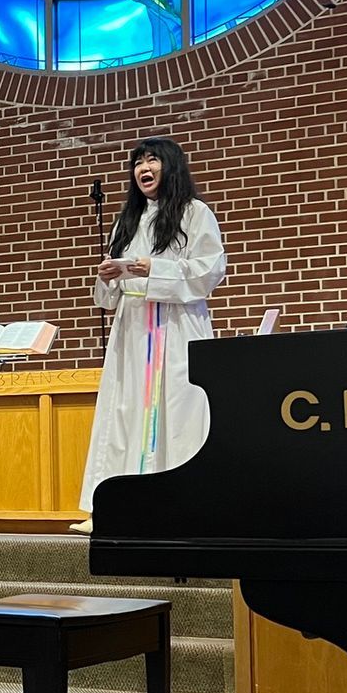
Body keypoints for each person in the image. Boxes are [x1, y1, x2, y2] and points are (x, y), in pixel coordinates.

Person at [72, 137, 227, 535]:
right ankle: (114, 507)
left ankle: (185, 508)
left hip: (175, 326)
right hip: (133, 328)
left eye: (152, 159)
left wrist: (153, 269)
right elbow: (106, 298)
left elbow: (210, 271)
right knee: (124, 412)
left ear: (170, 166)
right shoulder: (127, 219)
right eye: (138, 162)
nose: (143, 168)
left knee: (177, 409)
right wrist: (107, 277)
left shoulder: (194, 214)